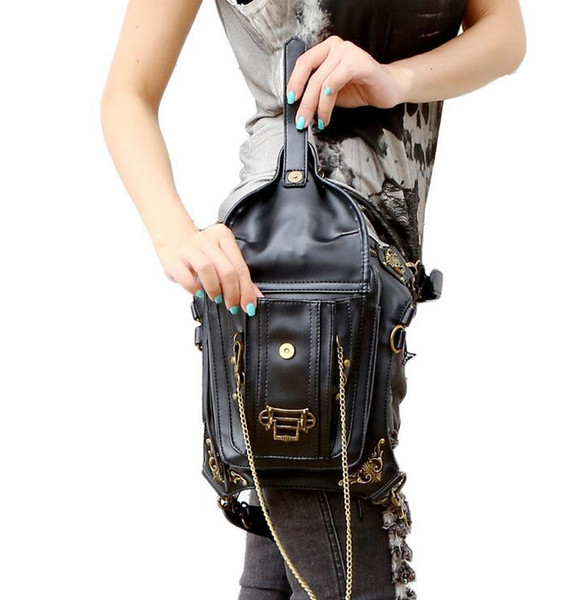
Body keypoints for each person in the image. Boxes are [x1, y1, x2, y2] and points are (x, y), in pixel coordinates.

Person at [100, 1, 526, 598]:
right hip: (292, 270)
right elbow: (128, 93)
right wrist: (174, 235)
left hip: (374, 262)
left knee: (283, 566)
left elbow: (505, 35)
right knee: (352, 566)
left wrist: (394, 80)